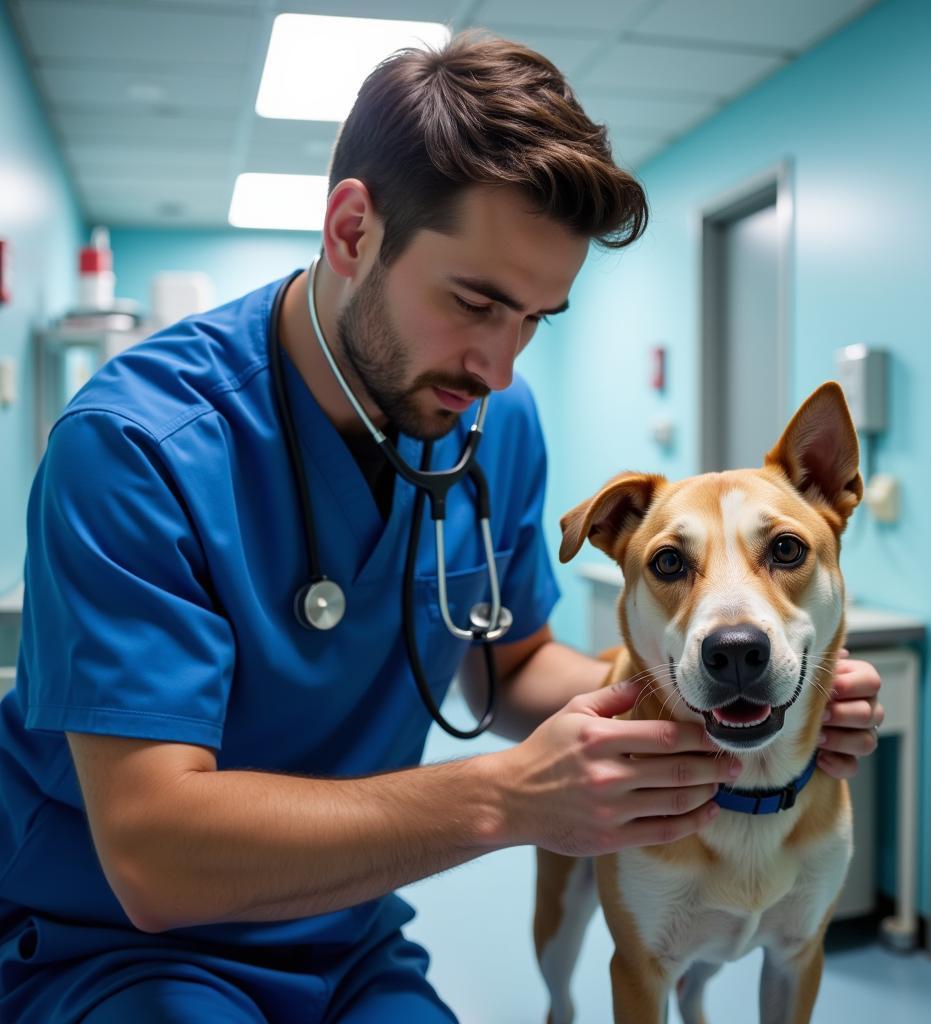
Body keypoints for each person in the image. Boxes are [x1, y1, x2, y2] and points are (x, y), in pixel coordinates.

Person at [0, 32, 883, 1024]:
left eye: (536, 319)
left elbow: (512, 673)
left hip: (344, 927)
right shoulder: (132, 449)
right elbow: (156, 857)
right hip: (125, 946)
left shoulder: (490, 425)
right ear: (350, 232)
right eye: (476, 302)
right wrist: (506, 798)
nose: (500, 369)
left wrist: (708, 687)